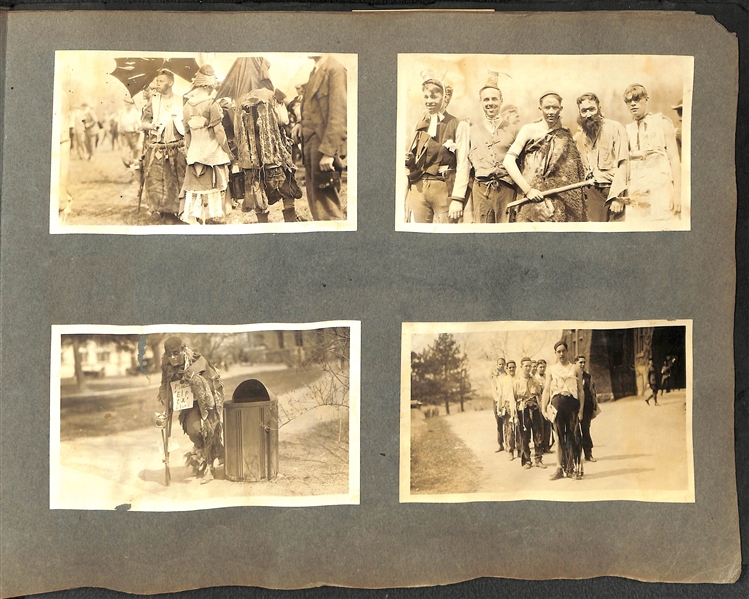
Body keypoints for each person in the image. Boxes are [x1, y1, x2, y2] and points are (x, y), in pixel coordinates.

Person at [503, 91, 587, 222]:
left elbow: (573, 172)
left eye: (555, 107)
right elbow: (508, 161)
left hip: (559, 201)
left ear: (561, 109)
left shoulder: (565, 135)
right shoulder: (528, 130)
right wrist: (528, 190)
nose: (551, 111)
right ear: (540, 108)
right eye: (547, 107)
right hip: (531, 198)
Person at [155, 336, 225, 483]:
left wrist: (194, 381)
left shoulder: (198, 363)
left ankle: (209, 467)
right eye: (169, 354)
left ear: (183, 349)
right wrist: (166, 404)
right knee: (194, 431)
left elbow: (210, 389)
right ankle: (213, 454)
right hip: (189, 403)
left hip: (208, 400)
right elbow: (165, 384)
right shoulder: (166, 364)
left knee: (208, 430)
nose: (172, 357)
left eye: (175, 353)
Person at [405, 70, 470, 223]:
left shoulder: (459, 125)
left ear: (444, 98)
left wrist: (457, 199)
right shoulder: (418, 126)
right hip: (418, 189)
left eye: (434, 96)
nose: (429, 101)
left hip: (444, 189)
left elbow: (463, 164)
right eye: (426, 97)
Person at [180, 65, 234, 224]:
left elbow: (187, 135)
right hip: (212, 155)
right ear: (206, 86)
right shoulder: (212, 104)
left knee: (197, 188)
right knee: (214, 187)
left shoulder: (186, 106)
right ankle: (213, 218)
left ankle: (198, 219)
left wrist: (190, 152)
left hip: (195, 155)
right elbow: (219, 133)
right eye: (211, 86)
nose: (213, 89)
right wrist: (228, 151)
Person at [622, 83, 682, 222]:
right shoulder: (628, 130)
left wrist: (677, 194)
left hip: (661, 188)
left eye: (637, 100)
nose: (633, 104)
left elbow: (674, 159)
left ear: (646, 99)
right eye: (629, 101)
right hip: (637, 189)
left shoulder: (662, 123)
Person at [299, 54, 347, 220]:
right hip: (310, 146)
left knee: (327, 208)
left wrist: (328, 152)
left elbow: (339, 114)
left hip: (322, 147)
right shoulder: (315, 71)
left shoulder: (335, 70)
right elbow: (313, 108)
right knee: (316, 202)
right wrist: (300, 124)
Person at [465, 72, 518, 223]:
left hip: (507, 190)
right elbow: (466, 165)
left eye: (494, 99)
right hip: (481, 191)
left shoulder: (514, 130)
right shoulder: (471, 131)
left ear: (501, 101)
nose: (490, 103)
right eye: (486, 99)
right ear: (481, 102)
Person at [573, 92, 629, 222]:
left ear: (599, 108)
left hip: (613, 190)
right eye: (584, 111)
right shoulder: (581, 136)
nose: (588, 115)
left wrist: (617, 196)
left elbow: (624, 164)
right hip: (592, 193)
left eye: (592, 109)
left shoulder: (615, 128)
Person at [141, 69, 187, 222]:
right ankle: (166, 213)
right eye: (157, 81)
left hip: (178, 147)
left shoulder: (183, 100)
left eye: (161, 81)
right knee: (159, 180)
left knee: (179, 179)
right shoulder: (153, 101)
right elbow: (143, 123)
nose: (157, 84)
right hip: (159, 148)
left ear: (171, 82)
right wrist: (152, 126)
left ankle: (181, 212)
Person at [542, 341, 585, 480]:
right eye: (558, 351)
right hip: (557, 405)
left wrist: (581, 410)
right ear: (555, 353)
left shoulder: (575, 368)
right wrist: (544, 408)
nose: (561, 354)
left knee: (572, 436)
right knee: (558, 438)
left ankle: (572, 469)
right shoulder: (551, 369)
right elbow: (547, 390)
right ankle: (559, 468)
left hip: (572, 404)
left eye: (563, 351)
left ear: (567, 351)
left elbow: (580, 390)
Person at [513, 357, 547, 469]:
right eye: (525, 366)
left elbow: (539, 396)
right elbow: (513, 400)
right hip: (523, 411)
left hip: (535, 409)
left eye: (529, 366)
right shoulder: (516, 382)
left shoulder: (535, 381)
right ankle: (527, 461)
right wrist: (515, 416)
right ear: (521, 366)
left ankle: (538, 459)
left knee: (538, 435)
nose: (528, 368)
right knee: (525, 437)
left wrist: (542, 409)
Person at [575, 355, 599, 462]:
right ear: (575, 363)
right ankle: (576, 456)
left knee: (586, 430)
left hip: (587, 407)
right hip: (575, 407)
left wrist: (594, 406)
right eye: (580, 362)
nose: (582, 364)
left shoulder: (588, 377)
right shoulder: (572, 376)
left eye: (584, 362)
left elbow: (592, 392)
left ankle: (588, 454)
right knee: (575, 432)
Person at [117, 97, 143, 170]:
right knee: (124, 154)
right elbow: (119, 124)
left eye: (129, 103)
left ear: (131, 104)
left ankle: (134, 170)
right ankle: (129, 166)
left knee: (135, 153)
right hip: (125, 135)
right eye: (125, 103)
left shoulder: (135, 112)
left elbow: (139, 124)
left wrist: (137, 128)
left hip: (134, 135)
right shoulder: (122, 112)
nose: (127, 104)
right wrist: (120, 129)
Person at [535, 359, 553, 454]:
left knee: (547, 426)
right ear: (537, 368)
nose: (542, 369)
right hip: (539, 404)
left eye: (544, 367)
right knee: (539, 427)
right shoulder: (535, 379)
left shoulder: (548, 377)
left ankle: (546, 446)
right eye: (540, 367)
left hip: (548, 404)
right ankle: (539, 447)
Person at [490, 358, 508, 452]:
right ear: (497, 365)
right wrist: (498, 401)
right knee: (499, 423)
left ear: (505, 365)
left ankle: (509, 444)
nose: (501, 366)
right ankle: (500, 444)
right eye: (499, 364)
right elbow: (494, 390)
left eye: (502, 364)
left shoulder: (507, 375)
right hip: (497, 401)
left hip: (505, 400)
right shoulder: (494, 376)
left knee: (507, 422)